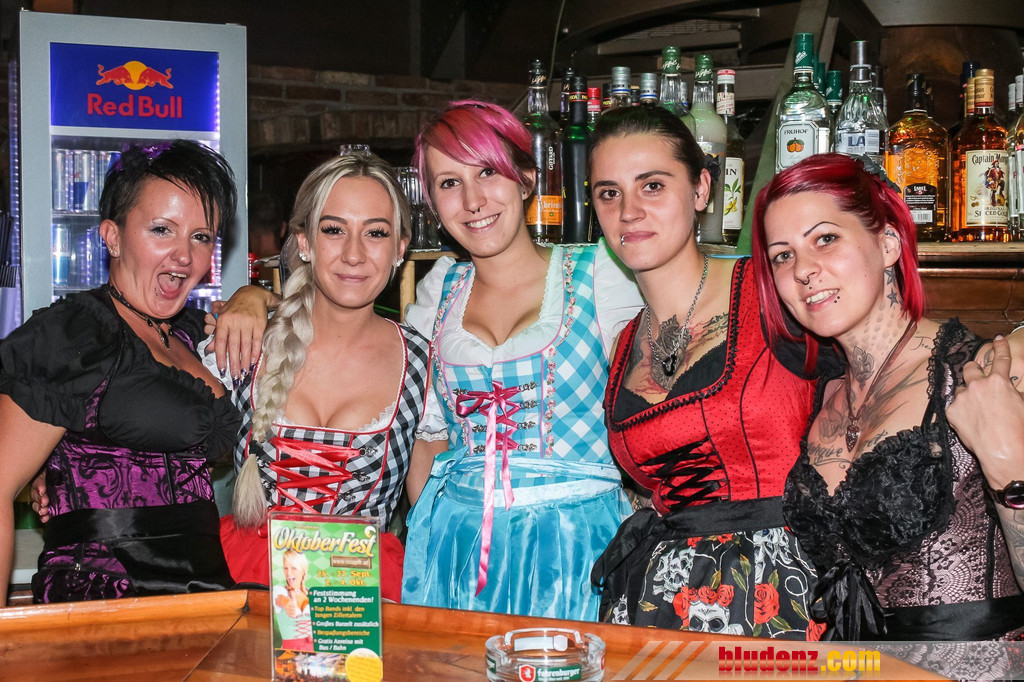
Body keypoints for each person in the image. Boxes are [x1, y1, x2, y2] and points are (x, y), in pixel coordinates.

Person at [207, 103, 642, 620]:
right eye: (450, 182)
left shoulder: (604, 278)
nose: (473, 200)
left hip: (572, 550)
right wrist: (253, 299)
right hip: (440, 555)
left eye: (487, 172)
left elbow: (667, 370)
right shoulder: (437, 300)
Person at [751, 152, 1024, 641]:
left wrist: (1011, 467)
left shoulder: (989, 372)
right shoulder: (821, 396)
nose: (804, 270)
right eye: (783, 255)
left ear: (889, 244)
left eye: (825, 239)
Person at [586, 105, 822, 638]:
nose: (628, 212)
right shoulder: (624, 344)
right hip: (657, 603)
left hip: (779, 594)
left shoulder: (774, 292)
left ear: (701, 190)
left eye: (652, 186)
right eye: (609, 193)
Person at [0, 140, 240, 603]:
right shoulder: (74, 333)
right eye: (162, 230)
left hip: (205, 594)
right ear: (112, 236)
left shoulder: (192, 333)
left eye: (201, 237)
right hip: (103, 595)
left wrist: (254, 298)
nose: (184, 256)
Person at [217, 152, 427, 604]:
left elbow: (433, 511)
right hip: (249, 584)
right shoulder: (246, 342)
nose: (354, 253)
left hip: (363, 599)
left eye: (375, 233)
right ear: (305, 243)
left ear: (400, 248)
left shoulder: (423, 364)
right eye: (334, 230)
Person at [274, 549, 313, 651]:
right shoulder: (280, 591)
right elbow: (280, 599)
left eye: (293, 568)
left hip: (315, 651)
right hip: (290, 652)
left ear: (302, 570)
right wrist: (287, 604)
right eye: (286, 568)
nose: (289, 573)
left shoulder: (311, 594)